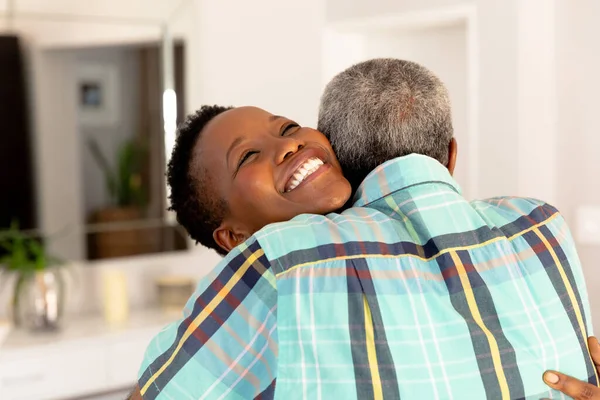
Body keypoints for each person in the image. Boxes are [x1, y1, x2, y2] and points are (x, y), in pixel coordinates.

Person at [133, 59, 597, 399]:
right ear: (233, 237)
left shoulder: (289, 266)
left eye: (289, 126)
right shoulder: (537, 222)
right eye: (247, 156)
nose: (290, 142)